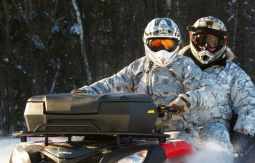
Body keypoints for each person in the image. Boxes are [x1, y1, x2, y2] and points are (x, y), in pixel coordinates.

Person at [173, 16, 255, 163]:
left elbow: (251, 103)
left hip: (214, 124)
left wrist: (243, 131)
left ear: (222, 43)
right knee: (166, 150)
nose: (206, 46)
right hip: (178, 124)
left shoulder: (231, 72)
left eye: (212, 41)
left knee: (218, 147)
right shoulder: (176, 66)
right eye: (201, 39)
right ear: (191, 38)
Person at [71, 17, 209, 148]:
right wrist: (88, 92)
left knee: (181, 156)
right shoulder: (138, 67)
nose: (162, 49)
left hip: (180, 131)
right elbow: (113, 82)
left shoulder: (186, 66)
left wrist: (188, 99)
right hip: (143, 131)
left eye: (167, 44)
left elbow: (206, 91)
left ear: (176, 43)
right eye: (156, 44)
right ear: (147, 42)